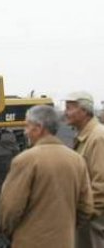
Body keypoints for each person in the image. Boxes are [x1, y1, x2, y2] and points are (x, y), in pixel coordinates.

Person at [0, 105, 93, 248]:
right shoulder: (77, 160)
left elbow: (10, 209)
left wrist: (10, 232)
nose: (25, 132)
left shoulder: (25, 160)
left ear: (38, 128)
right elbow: (86, 207)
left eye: (27, 126)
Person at [65, 91, 104, 248]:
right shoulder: (85, 136)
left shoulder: (98, 138)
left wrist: (85, 214)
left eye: (69, 108)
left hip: (93, 217)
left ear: (84, 111)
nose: (66, 113)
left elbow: (101, 183)